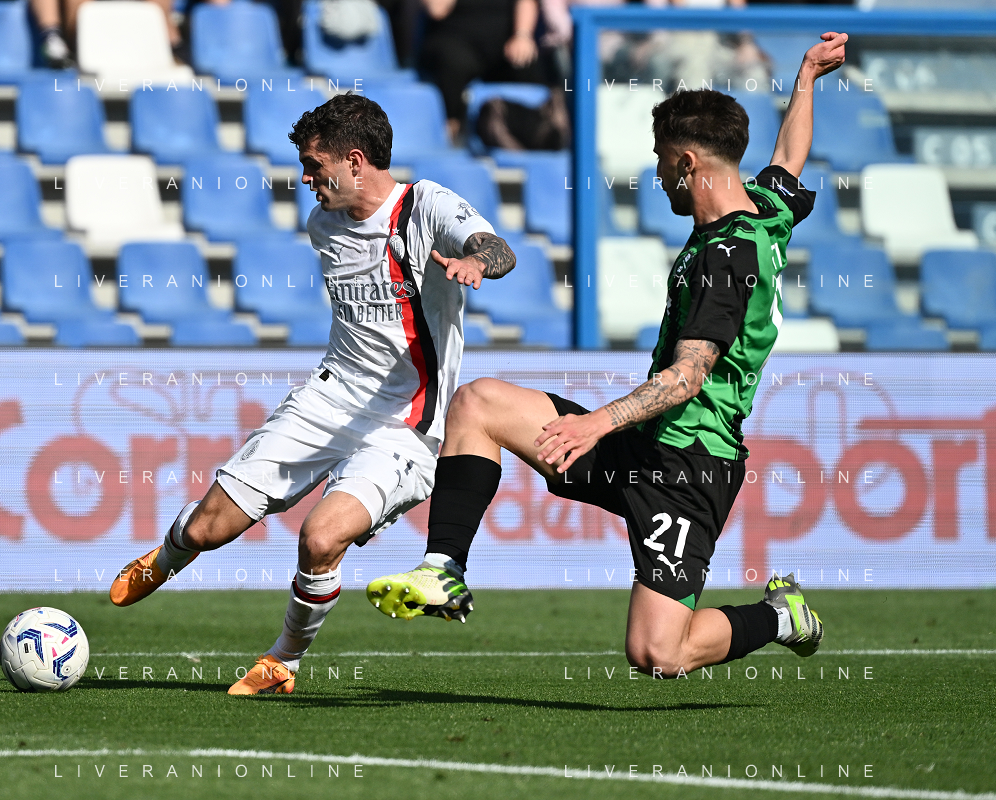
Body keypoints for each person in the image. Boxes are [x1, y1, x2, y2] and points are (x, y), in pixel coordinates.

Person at [367, 33, 850, 677]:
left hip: (690, 464)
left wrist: (595, 423)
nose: (659, 175)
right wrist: (807, 77)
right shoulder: (765, 210)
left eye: (662, 161)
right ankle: (443, 570)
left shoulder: (724, 258)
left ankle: (779, 616)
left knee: (658, 653)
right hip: (642, 441)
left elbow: (688, 376)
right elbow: (788, 158)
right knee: (478, 404)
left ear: (687, 163)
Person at [109, 93, 517, 696]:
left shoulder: (425, 205)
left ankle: (284, 660)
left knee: (321, 539)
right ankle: (167, 557)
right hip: (325, 401)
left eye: (313, 165)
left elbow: (499, 248)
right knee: (206, 530)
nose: (305, 179)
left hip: (405, 426)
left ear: (355, 161)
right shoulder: (323, 225)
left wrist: (476, 263)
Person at [418, 0, 548, 143]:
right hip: (453, 38)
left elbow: (526, 2)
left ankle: (526, 138)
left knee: (525, 62)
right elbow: (436, 10)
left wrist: (522, 35)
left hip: (503, 43)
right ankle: (451, 135)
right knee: (452, 65)